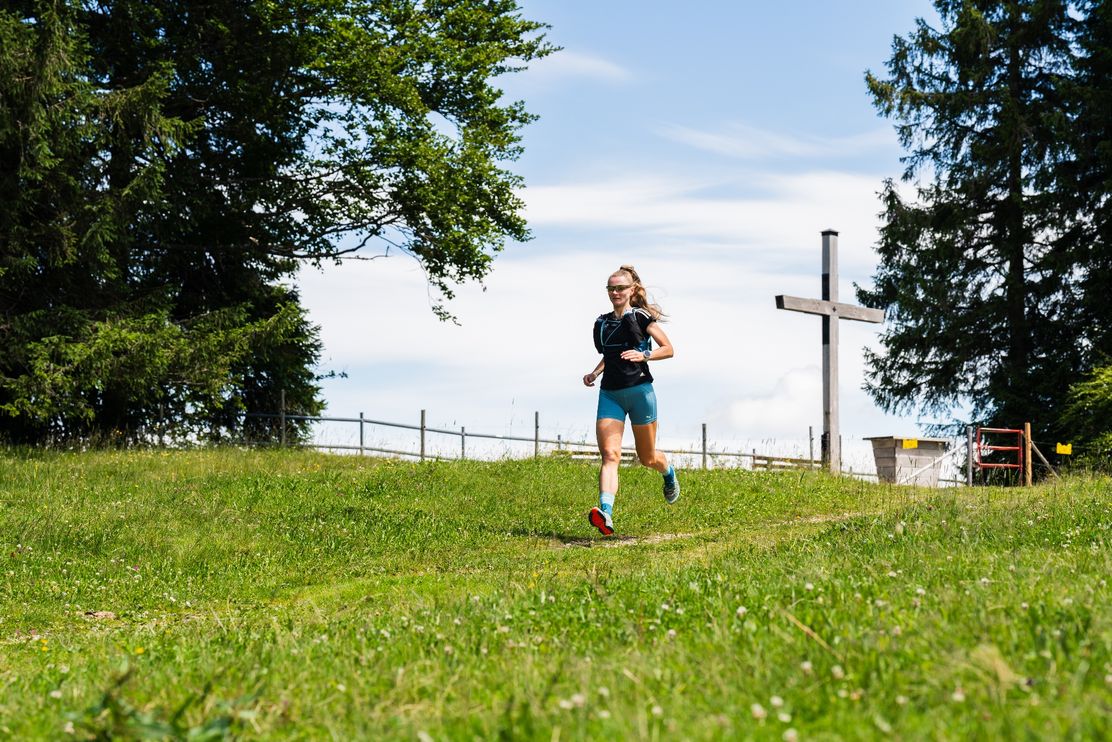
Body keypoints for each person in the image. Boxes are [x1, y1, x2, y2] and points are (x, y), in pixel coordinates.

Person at [583, 265, 678, 536]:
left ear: (632, 290)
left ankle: (668, 473)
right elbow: (610, 355)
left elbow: (669, 349)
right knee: (610, 455)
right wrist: (594, 372)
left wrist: (644, 356)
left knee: (646, 457)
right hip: (610, 393)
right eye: (611, 288)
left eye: (620, 288)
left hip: (640, 392)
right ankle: (606, 513)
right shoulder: (602, 323)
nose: (615, 292)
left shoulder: (641, 317)